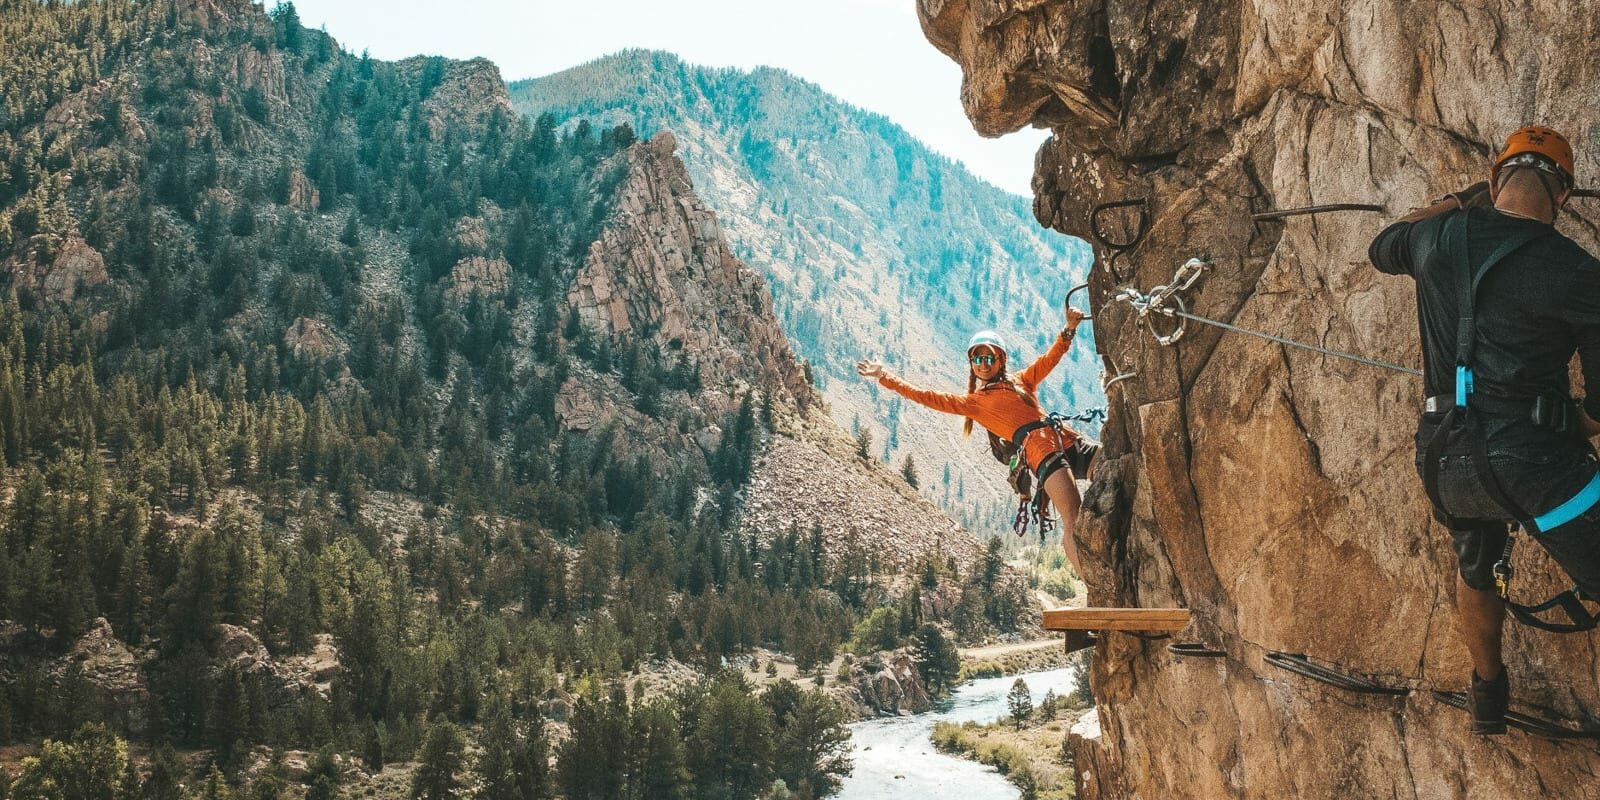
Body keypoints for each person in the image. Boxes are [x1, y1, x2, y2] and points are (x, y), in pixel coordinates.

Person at [1368, 125, 1600, 735]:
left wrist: (1458, 199)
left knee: (1477, 561)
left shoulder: (1434, 241)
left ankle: (1488, 693)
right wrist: (1568, 423)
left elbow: (1384, 243)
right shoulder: (1579, 272)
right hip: (1538, 469)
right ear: (1565, 196)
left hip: (1446, 464)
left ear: (1495, 180)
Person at [855, 306, 1094, 572]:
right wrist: (885, 377)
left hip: (1067, 440)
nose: (982, 364)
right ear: (971, 364)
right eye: (977, 360)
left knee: (1113, 462)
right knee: (1073, 516)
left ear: (1001, 360)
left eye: (988, 359)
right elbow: (927, 396)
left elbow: (1049, 359)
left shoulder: (1022, 381)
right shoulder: (974, 404)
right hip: (1042, 453)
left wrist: (1069, 329)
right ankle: (1091, 583)